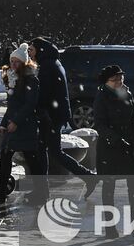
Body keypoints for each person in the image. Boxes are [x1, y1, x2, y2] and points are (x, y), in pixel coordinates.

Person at [30, 37, 97, 194]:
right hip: (55, 114)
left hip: (51, 115)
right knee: (48, 150)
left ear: (40, 50)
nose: (30, 53)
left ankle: (43, 188)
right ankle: (43, 187)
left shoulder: (47, 65)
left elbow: (45, 93)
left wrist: (38, 108)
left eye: (31, 50)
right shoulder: (53, 62)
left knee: (49, 151)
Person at [93, 64, 134, 238]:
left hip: (128, 145)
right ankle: (110, 227)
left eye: (120, 78)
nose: (118, 82)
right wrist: (114, 138)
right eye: (114, 79)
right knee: (109, 187)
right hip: (110, 148)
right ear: (106, 82)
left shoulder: (126, 93)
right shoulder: (102, 96)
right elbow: (99, 123)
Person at [0, 57, 48, 204]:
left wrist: (15, 121)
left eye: (17, 62)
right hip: (14, 125)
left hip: (24, 126)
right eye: (12, 61)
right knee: (8, 157)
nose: (13, 64)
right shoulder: (13, 79)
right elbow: (11, 106)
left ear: (24, 63)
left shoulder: (30, 80)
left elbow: (29, 104)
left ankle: (40, 193)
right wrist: (3, 123)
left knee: (31, 160)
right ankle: (1, 192)